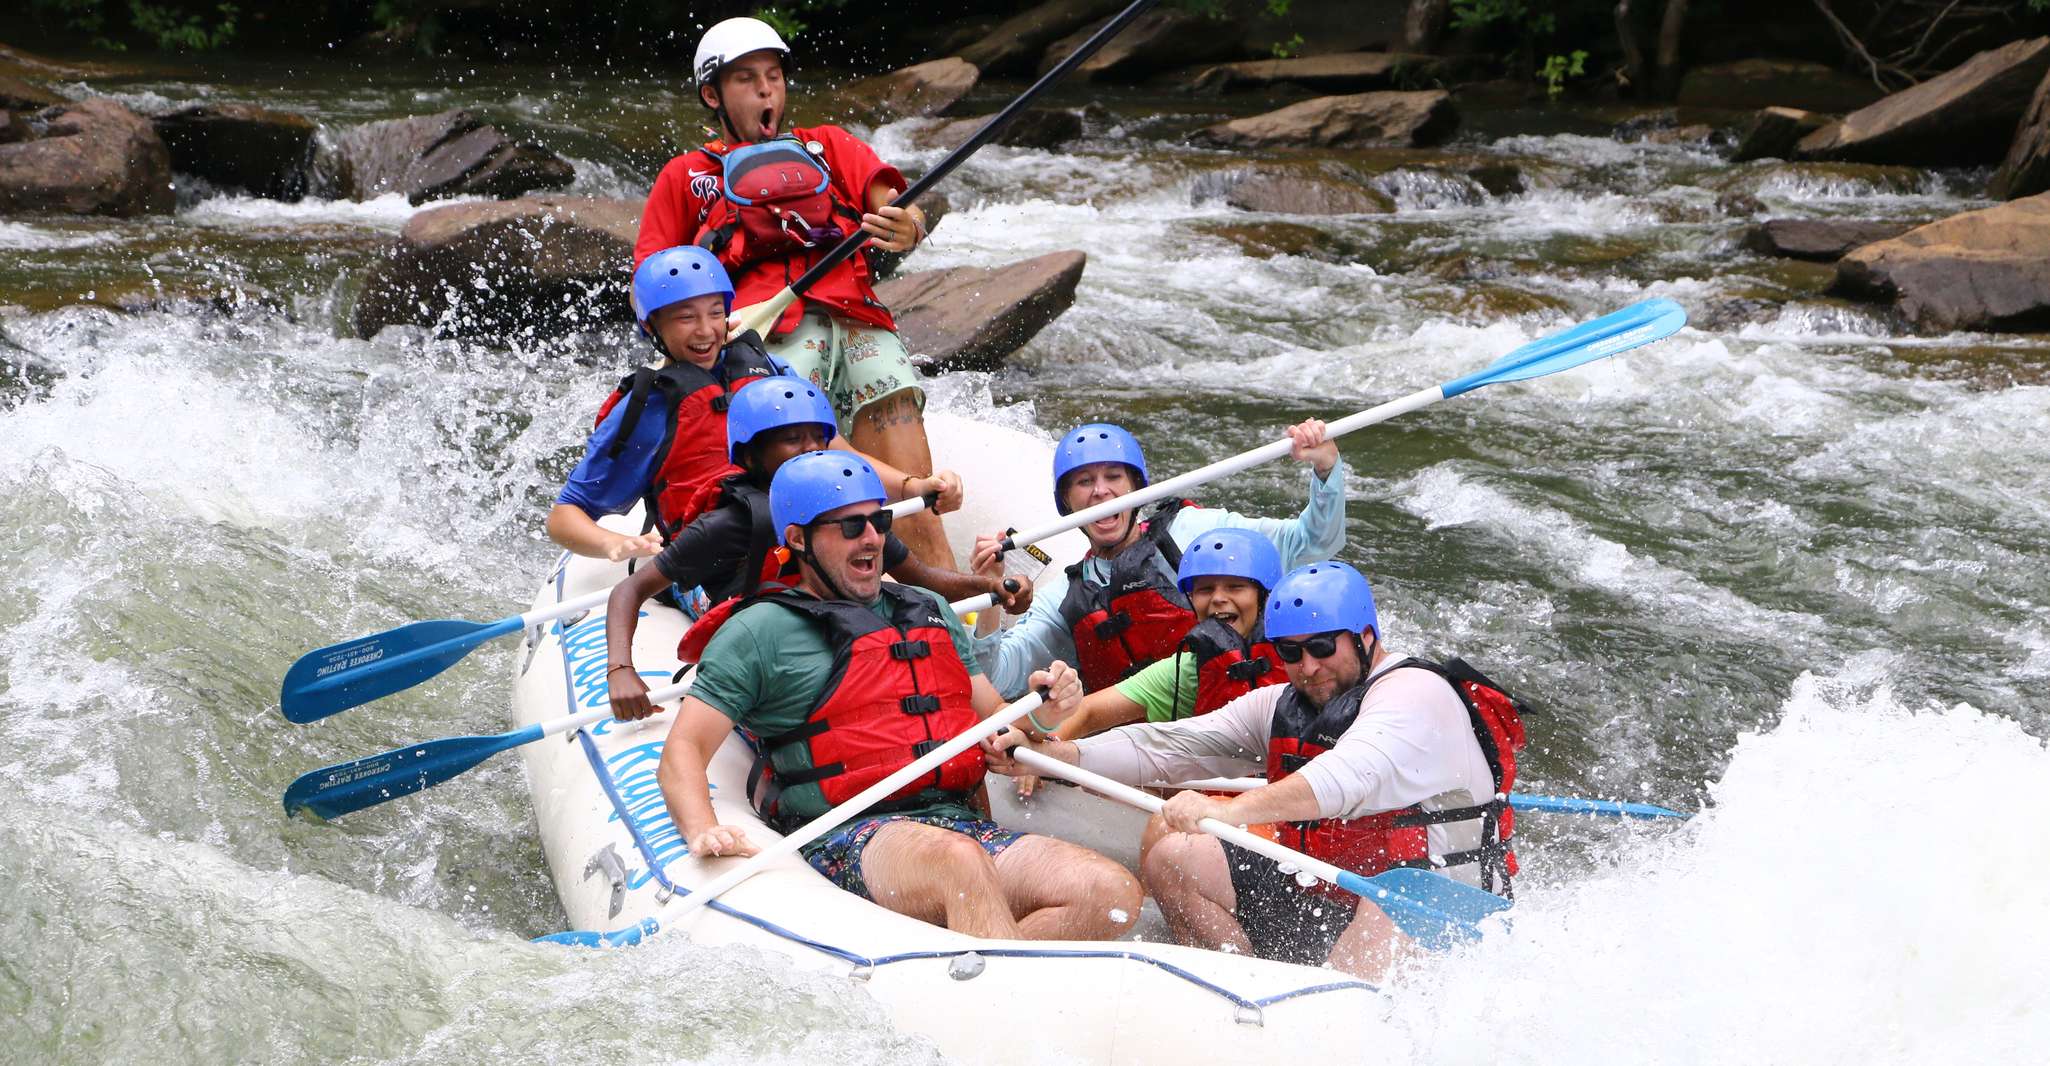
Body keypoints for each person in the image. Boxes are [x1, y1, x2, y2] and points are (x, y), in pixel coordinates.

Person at [654, 450, 1141, 940]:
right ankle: (998, 986)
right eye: (849, 526)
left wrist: (1046, 711)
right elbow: (683, 750)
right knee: (959, 865)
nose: (871, 538)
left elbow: (996, 717)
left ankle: (978, 979)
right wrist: (702, 828)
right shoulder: (760, 631)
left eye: (878, 521)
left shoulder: (926, 610)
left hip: (956, 821)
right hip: (847, 835)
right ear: (798, 539)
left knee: (1111, 891)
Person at [983, 560, 1529, 978]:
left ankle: (1322, 1019)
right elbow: (1170, 746)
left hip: (1439, 904)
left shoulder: (1417, 694)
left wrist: (1234, 809)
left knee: (1385, 904)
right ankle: (1243, 985)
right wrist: (1060, 756)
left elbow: (1346, 780)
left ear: (1366, 637)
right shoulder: (1287, 700)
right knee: (1177, 856)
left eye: (1320, 646)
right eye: (1291, 652)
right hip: (1328, 892)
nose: (1307, 667)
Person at [637, 16, 954, 568]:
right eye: (746, 80)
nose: (766, 89)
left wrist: (911, 225)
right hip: (765, 341)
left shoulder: (827, 146)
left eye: (774, 76)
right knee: (809, 467)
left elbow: (895, 203)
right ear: (712, 94)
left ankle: (950, 611)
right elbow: (651, 285)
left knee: (916, 494)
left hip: (858, 324)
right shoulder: (686, 176)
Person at [604, 377, 1030, 720]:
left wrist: (992, 586)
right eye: (792, 439)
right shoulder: (731, 522)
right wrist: (621, 669)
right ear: (752, 453)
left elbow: (920, 577)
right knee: (691, 592)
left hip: (813, 600)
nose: (810, 449)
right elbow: (629, 591)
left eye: (816, 438)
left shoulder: (851, 508)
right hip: (728, 592)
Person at [548, 246, 957, 564]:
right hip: (711, 564)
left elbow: (833, 452)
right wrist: (614, 544)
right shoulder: (643, 409)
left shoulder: (767, 368)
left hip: (802, 543)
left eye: (714, 313)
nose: (706, 330)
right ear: (653, 327)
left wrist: (912, 486)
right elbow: (566, 514)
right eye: (685, 317)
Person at [969, 420, 1347, 699]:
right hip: (1146, 744)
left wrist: (1325, 467)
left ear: (1136, 488)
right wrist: (989, 595)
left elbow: (1313, 544)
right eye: (1084, 482)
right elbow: (996, 679)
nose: (1101, 492)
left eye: (1113, 476)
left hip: (1239, 712)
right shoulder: (1064, 599)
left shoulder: (1197, 529)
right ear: (1066, 503)